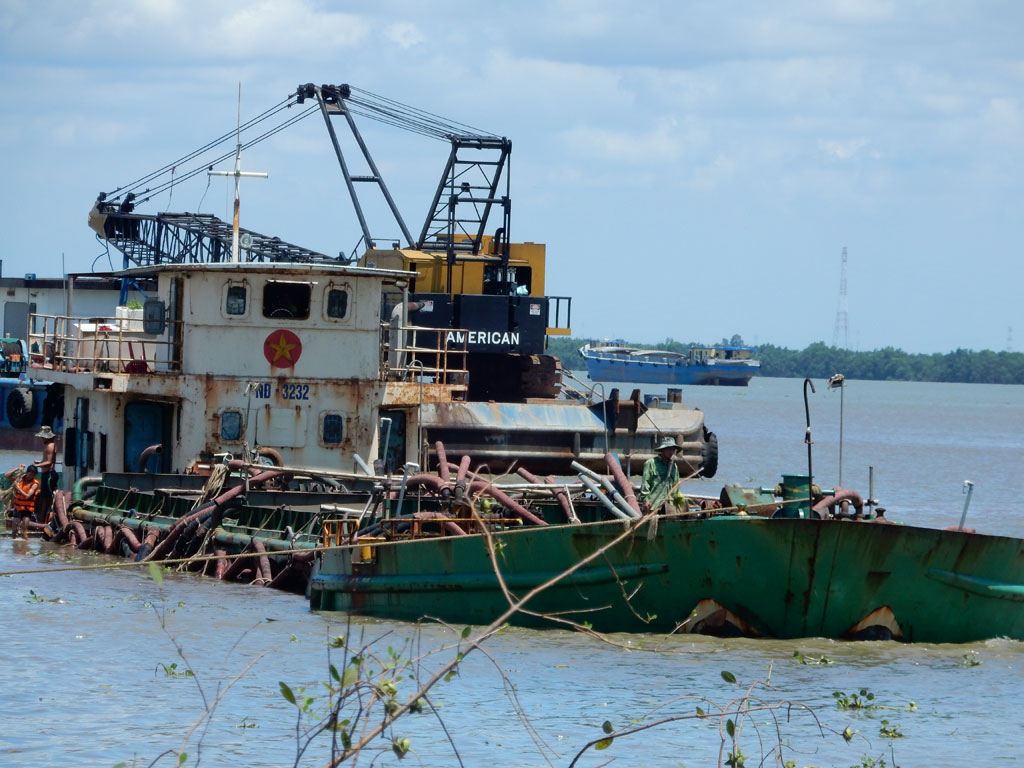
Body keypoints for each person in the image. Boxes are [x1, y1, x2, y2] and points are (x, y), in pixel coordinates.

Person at [638, 436, 682, 514]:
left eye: (672, 449)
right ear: (663, 450)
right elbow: (645, 484)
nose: (671, 451)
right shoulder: (651, 463)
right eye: (669, 449)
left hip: (669, 506)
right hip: (653, 505)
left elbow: (676, 487)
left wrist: (677, 503)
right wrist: (646, 500)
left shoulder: (674, 466)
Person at [34, 425, 58, 524]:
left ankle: (53, 521)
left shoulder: (50, 446)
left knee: (50, 500)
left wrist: (37, 465)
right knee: (44, 499)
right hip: (45, 475)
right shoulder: (49, 446)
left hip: (49, 475)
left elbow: (49, 462)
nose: (41, 438)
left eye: (42, 437)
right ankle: (41, 522)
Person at [11, 465, 40, 539]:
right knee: (14, 532)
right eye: (30, 474)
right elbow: (7, 475)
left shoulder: (35, 484)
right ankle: (15, 548)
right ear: (27, 472)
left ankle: (26, 548)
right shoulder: (20, 479)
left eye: (33, 475)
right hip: (18, 507)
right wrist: (17, 468)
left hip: (27, 509)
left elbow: (27, 496)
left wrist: (18, 488)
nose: (30, 476)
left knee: (24, 532)